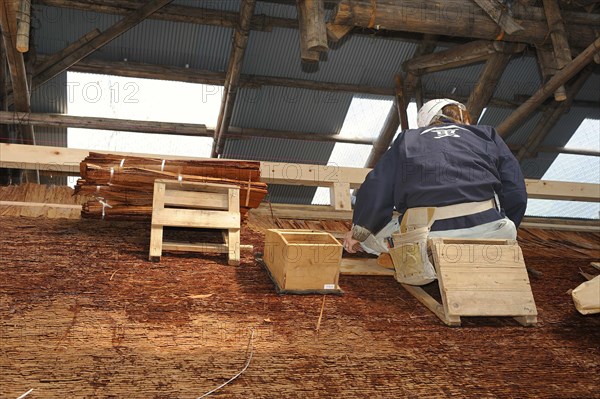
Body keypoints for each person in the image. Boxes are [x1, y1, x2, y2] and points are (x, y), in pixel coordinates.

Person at [343, 98, 527, 258]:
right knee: (506, 226)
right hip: (492, 232)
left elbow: (377, 188)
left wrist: (359, 231)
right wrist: (502, 221)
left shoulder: (408, 139)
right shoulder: (487, 134)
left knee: (370, 239)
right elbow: (515, 190)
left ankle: (412, 260)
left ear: (426, 122)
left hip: (427, 237)